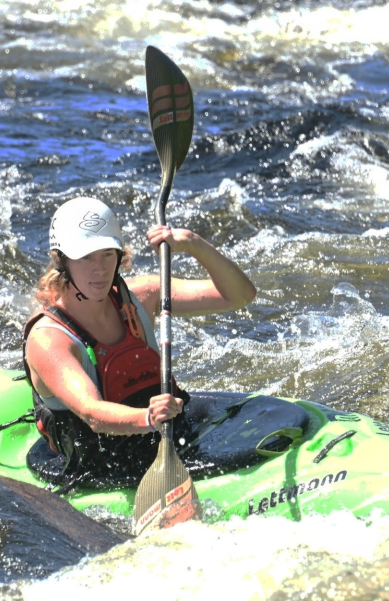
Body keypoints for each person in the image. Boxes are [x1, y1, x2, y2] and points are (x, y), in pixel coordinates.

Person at [22, 196, 257, 484]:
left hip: (164, 435)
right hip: (102, 466)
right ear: (61, 260)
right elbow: (92, 413)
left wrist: (193, 244)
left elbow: (239, 295)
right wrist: (148, 419)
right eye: (85, 257)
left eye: (107, 254)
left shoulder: (141, 297)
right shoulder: (49, 339)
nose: (99, 269)